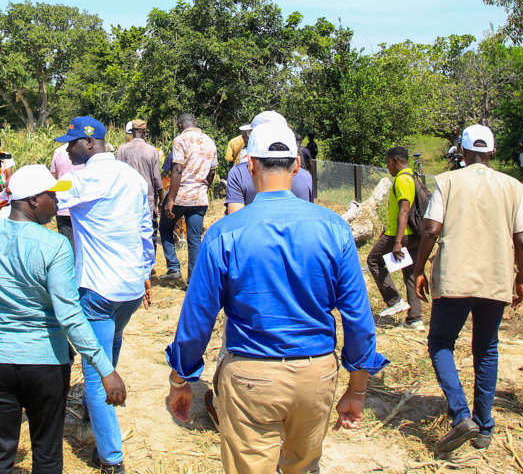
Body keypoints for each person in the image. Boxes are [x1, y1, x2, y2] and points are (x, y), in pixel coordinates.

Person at [165, 122, 388, 474]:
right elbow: (358, 318)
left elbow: (197, 320)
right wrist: (357, 389)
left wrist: (181, 379)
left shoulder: (225, 232)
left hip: (251, 375)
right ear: (297, 164)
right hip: (317, 374)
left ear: (249, 163)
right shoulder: (334, 228)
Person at [0, 165, 128, 474]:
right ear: (33, 200)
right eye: (52, 195)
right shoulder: (54, 246)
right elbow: (68, 315)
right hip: (45, 363)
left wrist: (2, 318)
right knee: (47, 452)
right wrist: (106, 369)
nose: (57, 201)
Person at [411, 123, 523, 454]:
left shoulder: (447, 182)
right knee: (487, 347)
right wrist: (520, 277)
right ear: (493, 152)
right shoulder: (513, 186)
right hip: (495, 276)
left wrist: (419, 270)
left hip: (455, 277)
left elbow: (431, 229)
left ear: (461, 152)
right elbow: (521, 239)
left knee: (440, 343)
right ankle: (485, 426)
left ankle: (461, 414)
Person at [55, 116, 155, 473]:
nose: (67, 149)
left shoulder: (79, 179)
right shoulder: (132, 177)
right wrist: (145, 273)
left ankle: (111, 458)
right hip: (129, 287)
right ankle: (100, 414)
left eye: (71, 143)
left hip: (98, 289)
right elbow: (146, 228)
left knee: (97, 374)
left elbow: (30, 203)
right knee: (108, 355)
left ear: (89, 144)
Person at [365, 146, 424, 330]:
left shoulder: (402, 180)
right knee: (410, 273)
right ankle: (415, 318)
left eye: (388, 162)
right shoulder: (414, 177)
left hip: (400, 234)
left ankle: (394, 300)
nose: (388, 166)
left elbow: (404, 211)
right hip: (414, 235)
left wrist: (397, 241)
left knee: (373, 260)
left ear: (395, 161)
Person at [162, 113, 218, 281]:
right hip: (199, 197)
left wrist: (170, 199)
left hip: (181, 196)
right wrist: (204, 188)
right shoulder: (209, 141)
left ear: (180, 125)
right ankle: (192, 280)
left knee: (165, 228)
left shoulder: (180, 140)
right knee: (194, 239)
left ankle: (173, 267)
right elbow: (212, 171)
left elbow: (177, 169)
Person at [224, 111, 314, 213]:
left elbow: (235, 217)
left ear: (251, 164)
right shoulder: (306, 177)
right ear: (297, 164)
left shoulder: (238, 174)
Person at [115, 119, 163, 222]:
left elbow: (116, 175)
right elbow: (157, 179)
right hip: (147, 196)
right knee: (148, 230)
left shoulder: (122, 149)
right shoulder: (152, 150)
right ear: (144, 132)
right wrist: (162, 199)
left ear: (132, 132)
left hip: (127, 197)